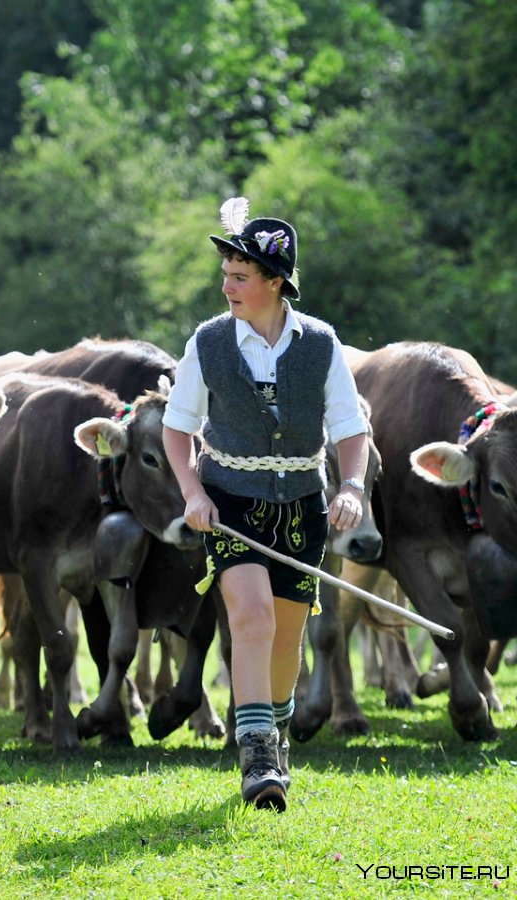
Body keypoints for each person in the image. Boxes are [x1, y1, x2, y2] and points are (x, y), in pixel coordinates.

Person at [161, 197, 370, 812]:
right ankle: (255, 756)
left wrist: (352, 486)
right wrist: (193, 492)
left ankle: (274, 733)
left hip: (303, 507)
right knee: (251, 617)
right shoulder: (207, 342)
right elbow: (176, 429)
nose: (226, 287)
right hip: (230, 503)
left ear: (274, 282)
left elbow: (351, 429)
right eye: (225, 276)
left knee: (286, 637)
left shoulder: (322, 344)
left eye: (239, 277)